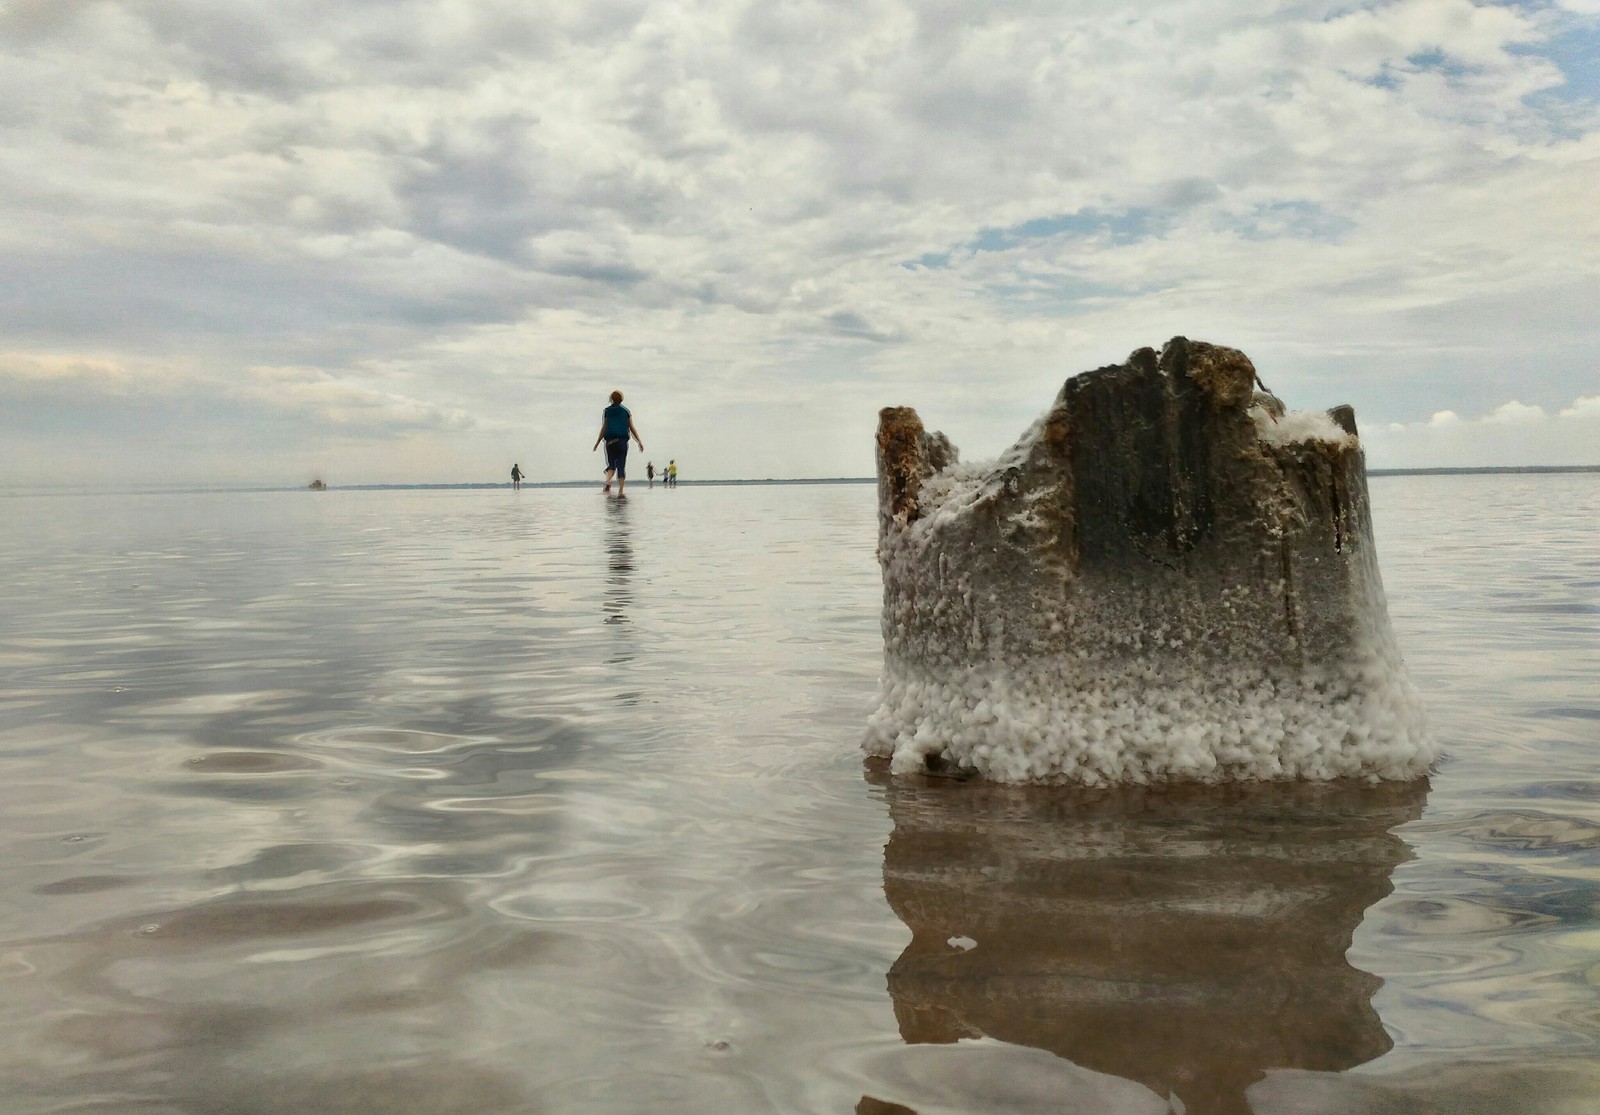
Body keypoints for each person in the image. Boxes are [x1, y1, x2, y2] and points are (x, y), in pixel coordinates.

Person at [593, 390, 644, 496]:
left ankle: (607, 482)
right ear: (621, 399)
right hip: (622, 441)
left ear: (611, 399)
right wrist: (639, 441)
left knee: (611, 466)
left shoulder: (607, 411)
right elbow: (632, 428)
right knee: (621, 466)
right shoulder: (626, 411)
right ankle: (621, 491)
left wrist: (598, 442)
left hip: (610, 442)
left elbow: (604, 427)